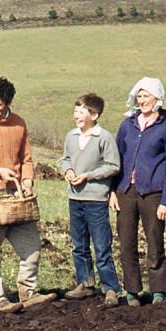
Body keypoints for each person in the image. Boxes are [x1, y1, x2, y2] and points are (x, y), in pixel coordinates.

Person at [0, 76, 55, 313]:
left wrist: (27, 180)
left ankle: (28, 292)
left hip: (16, 195)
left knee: (32, 247)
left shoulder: (19, 124)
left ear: (8, 102)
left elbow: (26, 159)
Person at [109, 77, 166, 307]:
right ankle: (132, 291)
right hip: (126, 192)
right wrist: (112, 191)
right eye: (139, 96)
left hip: (153, 193)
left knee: (154, 240)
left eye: (146, 96)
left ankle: (159, 290)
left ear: (157, 99)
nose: (142, 101)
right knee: (126, 241)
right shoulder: (126, 126)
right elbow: (116, 160)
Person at [60, 94, 122, 308]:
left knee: (101, 245)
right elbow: (65, 158)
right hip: (74, 197)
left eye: (81, 111)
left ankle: (110, 288)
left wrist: (88, 175)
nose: (76, 115)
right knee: (78, 245)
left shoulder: (103, 137)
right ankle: (85, 283)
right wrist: (67, 171)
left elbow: (113, 166)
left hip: (95, 199)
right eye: (75, 110)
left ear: (94, 115)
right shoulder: (71, 136)